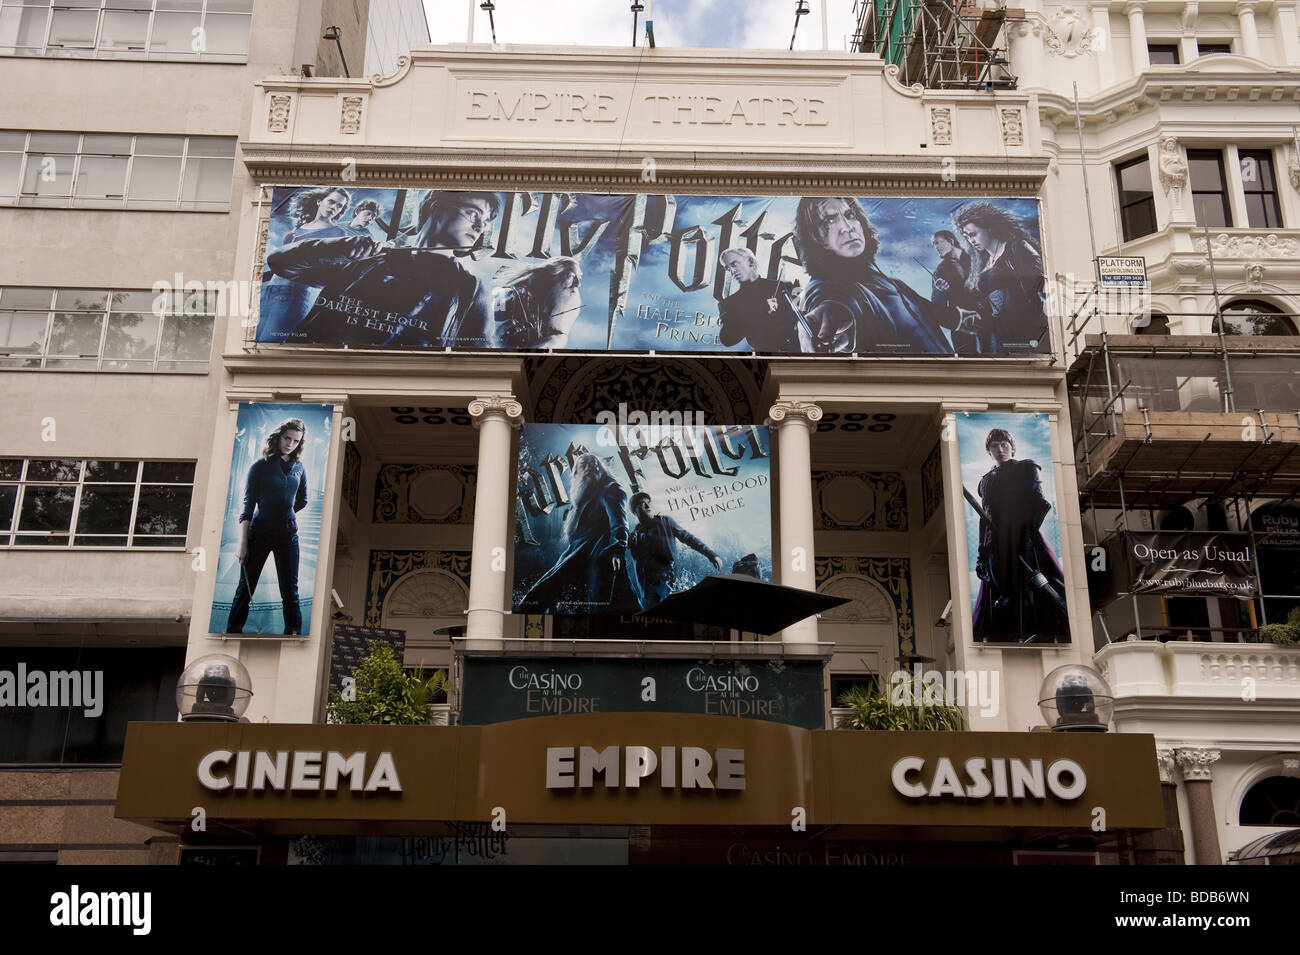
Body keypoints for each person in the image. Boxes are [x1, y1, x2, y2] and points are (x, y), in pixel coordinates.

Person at [265, 190, 501, 349]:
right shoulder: (367, 256)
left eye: (486, 221)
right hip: (322, 373)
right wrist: (338, 248)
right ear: (438, 208)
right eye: (473, 214)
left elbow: (482, 360)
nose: (480, 226)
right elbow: (279, 263)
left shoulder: (471, 289)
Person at [793, 197, 979, 354]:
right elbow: (833, 301)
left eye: (850, 215)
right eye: (829, 221)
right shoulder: (827, 287)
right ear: (815, 238)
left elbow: (922, 307)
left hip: (943, 377)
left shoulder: (888, 282)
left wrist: (957, 318)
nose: (847, 227)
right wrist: (833, 312)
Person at [971, 428, 1068, 642]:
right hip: (995, 547)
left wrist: (1022, 534)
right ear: (989, 451)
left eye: (1004, 444)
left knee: (1043, 587)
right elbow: (983, 519)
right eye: (995, 446)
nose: (1000, 449)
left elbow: (1040, 504)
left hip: (1025, 541)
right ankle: (1009, 635)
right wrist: (981, 555)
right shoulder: (985, 481)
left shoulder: (1026, 468)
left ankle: (1045, 631)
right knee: (1002, 594)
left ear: (1012, 448)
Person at [518, 453, 639, 614]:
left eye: (592, 464)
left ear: (599, 467)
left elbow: (619, 524)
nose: (589, 467)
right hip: (579, 551)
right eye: (583, 465)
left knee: (606, 602)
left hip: (598, 552)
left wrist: (617, 550)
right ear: (575, 473)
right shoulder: (585, 495)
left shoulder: (611, 489)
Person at [226, 418, 309, 635]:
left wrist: (285, 515)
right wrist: (243, 544)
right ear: (278, 437)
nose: (290, 443)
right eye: (287, 438)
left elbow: (302, 500)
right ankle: (233, 630)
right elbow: (247, 506)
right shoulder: (260, 466)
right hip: (259, 533)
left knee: (290, 591)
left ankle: (293, 632)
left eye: (295, 440)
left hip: (288, 536)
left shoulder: (299, 468)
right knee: (245, 587)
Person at [953, 201, 1049, 353]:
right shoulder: (980, 265)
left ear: (989, 227)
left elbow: (1043, 284)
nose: (971, 241)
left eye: (973, 234)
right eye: (967, 237)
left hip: (1025, 329)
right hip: (996, 335)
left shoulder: (1017, 247)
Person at [628, 492, 724, 610]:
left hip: (667, 580)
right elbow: (637, 564)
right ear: (634, 511)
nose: (648, 507)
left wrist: (711, 555)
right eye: (643, 504)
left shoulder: (665, 521)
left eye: (649, 503)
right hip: (648, 589)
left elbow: (688, 537)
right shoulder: (634, 536)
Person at [717, 247, 804, 352]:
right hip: (765, 358)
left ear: (750, 261)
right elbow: (727, 339)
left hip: (800, 354)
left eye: (734, 264)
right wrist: (761, 310)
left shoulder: (785, 286)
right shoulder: (729, 303)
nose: (732, 271)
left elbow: (804, 317)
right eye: (728, 268)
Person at [491, 256, 583, 349]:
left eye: (579, 278)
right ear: (553, 275)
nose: (578, 284)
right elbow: (495, 332)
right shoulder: (512, 295)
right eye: (571, 276)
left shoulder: (547, 315)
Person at [281, 188, 351, 244]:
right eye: (331, 201)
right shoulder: (298, 228)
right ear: (319, 202)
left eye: (339, 206)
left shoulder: (339, 233)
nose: (334, 207)